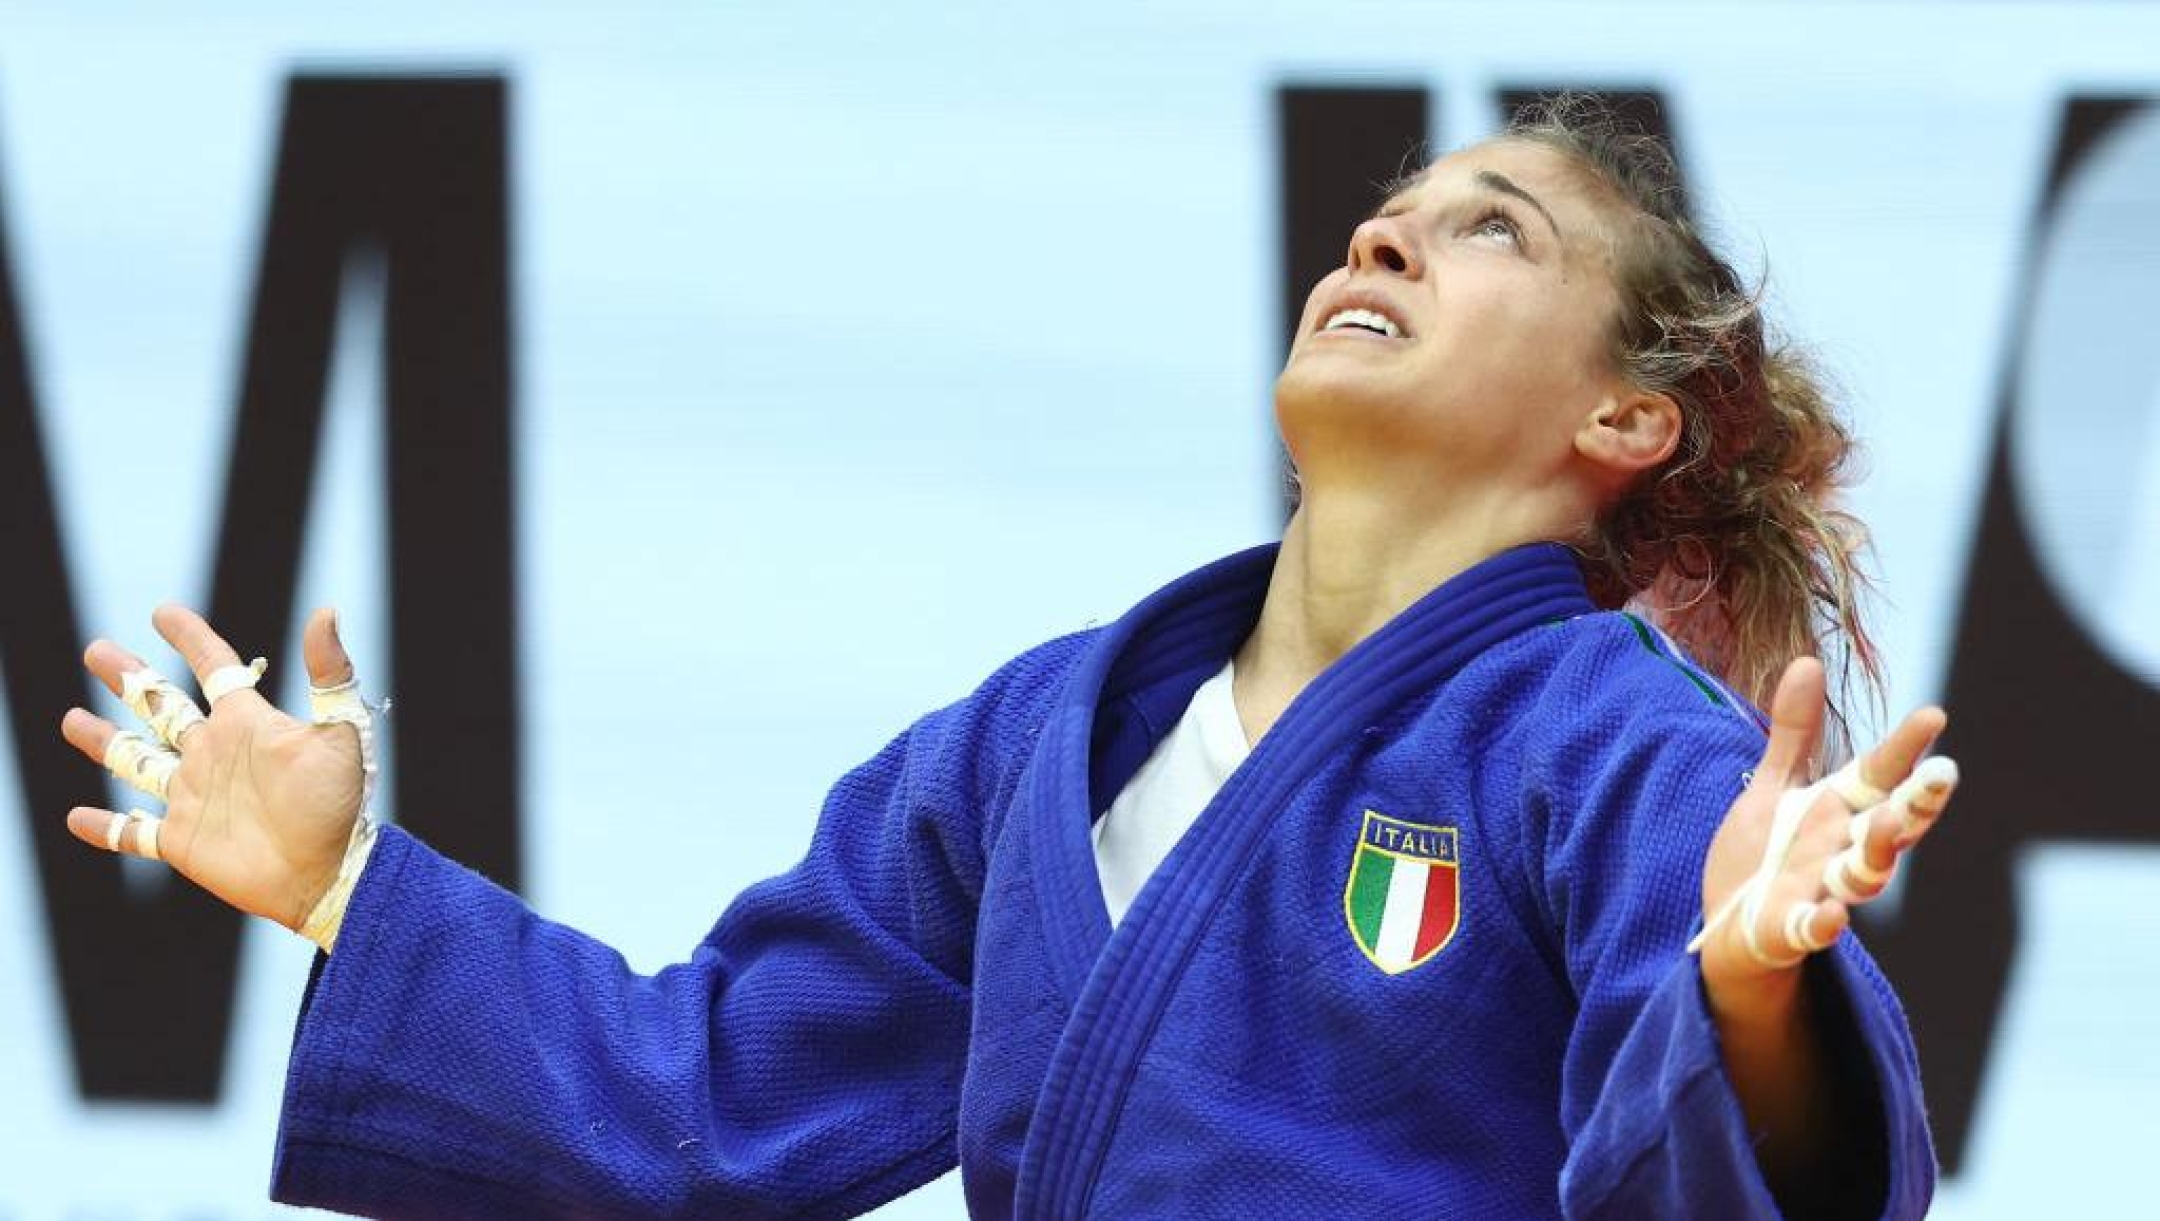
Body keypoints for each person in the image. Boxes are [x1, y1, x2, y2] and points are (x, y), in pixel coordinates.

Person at [59, 97, 1954, 1219]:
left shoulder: (1619, 743)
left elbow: (1741, 1179)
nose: (1388, 228)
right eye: (1396, 208)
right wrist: (338, 889)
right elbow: (699, 1096)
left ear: (1626, 420)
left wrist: (1750, 989)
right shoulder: (1046, 741)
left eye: (1491, 231)